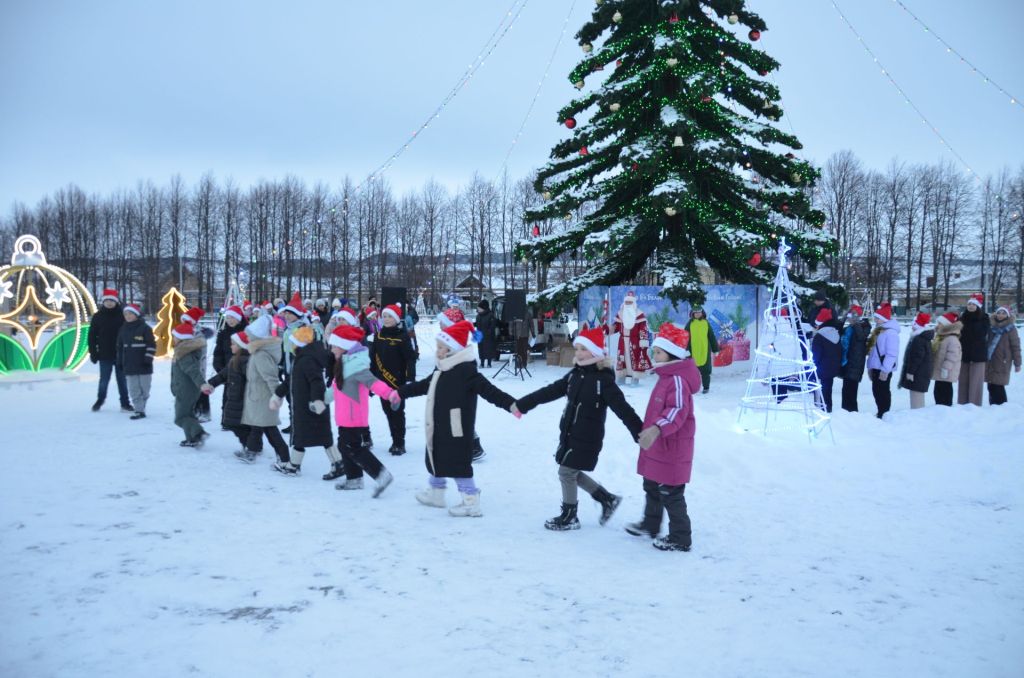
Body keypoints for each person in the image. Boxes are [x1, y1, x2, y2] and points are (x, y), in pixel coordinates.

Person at [515, 327, 642, 531]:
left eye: (584, 349)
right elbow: (550, 391)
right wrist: (524, 404)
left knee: (566, 472)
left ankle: (570, 516)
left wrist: (640, 432)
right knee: (570, 470)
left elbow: (623, 409)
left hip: (588, 436)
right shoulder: (576, 374)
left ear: (596, 352)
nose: (579, 353)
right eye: (577, 348)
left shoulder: (603, 380)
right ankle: (607, 499)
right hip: (570, 432)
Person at [398, 320, 519, 517]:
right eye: (438, 347)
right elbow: (423, 386)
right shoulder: (442, 368)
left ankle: (471, 502)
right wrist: (399, 393)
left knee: (458, 463)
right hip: (439, 424)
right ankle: (436, 493)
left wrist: (511, 405)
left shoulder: (466, 371)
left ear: (452, 349)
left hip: (457, 428)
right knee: (436, 456)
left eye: (441, 347)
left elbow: (490, 391)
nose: (437, 351)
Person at [627, 322, 701, 552]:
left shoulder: (677, 380)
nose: (654, 355)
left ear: (671, 354)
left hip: (672, 448)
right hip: (660, 446)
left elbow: (677, 410)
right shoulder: (666, 376)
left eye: (658, 352)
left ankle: (680, 537)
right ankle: (651, 524)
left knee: (671, 492)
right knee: (651, 483)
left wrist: (656, 429)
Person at [327, 324, 397, 495]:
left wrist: (390, 394)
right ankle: (354, 479)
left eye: (334, 346)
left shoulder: (357, 366)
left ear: (344, 347)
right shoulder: (343, 364)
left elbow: (374, 383)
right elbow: (335, 388)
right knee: (345, 446)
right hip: (345, 416)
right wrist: (322, 401)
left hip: (353, 417)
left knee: (352, 447)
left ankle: (381, 475)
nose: (332, 349)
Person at [270, 326, 340, 476]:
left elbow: (316, 381)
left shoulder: (307, 360)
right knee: (309, 436)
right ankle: (336, 463)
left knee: (312, 436)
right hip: (304, 406)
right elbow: (290, 380)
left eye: (293, 342)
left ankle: (294, 466)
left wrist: (317, 401)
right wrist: (278, 394)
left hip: (311, 406)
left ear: (299, 344)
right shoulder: (302, 358)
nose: (291, 345)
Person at [239, 315, 291, 465]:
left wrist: (277, 395)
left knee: (269, 428)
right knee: (257, 425)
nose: (247, 338)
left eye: (249, 335)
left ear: (257, 337)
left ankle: (284, 457)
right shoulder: (257, 352)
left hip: (263, 397)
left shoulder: (261, 354)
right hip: (258, 395)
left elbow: (271, 378)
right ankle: (251, 451)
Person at [370, 304, 417, 455]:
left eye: (390, 316)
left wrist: (410, 378)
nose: (386, 319)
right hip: (381, 382)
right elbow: (373, 358)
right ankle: (394, 439)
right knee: (388, 412)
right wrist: (370, 381)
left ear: (396, 319)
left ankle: (399, 443)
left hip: (398, 382)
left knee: (397, 412)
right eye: (384, 316)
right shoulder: (378, 336)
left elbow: (410, 358)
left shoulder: (402, 336)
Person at [202, 331, 251, 452]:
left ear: (241, 346)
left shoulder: (246, 361)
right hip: (235, 397)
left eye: (233, 344)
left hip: (243, 398)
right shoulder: (234, 359)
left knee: (241, 425)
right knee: (234, 424)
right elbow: (223, 375)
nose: (230, 346)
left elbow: (253, 380)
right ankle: (250, 446)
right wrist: (211, 384)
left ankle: (251, 447)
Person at [88, 288, 131, 412]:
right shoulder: (98, 316)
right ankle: (100, 400)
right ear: (103, 302)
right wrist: (93, 352)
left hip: (121, 354)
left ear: (116, 301)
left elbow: (130, 333)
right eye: (107, 301)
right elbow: (92, 336)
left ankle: (125, 403)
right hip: (104, 354)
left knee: (122, 380)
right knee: (104, 380)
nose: (109, 303)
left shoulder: (123, 315)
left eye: (112, 301)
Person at [169, 322, 209, 447]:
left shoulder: (183, 354)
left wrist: (202, 384)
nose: (173, 339)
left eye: (175, 336)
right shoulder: (182, 351)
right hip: (187, 389)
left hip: (186, 390)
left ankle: (199, 433)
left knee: (180, 418)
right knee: (188, 414)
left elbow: (193, 371)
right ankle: (192, 438)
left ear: (181, 338)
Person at [115, 303, 156, 420]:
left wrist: (148, 358)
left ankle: (141, 406)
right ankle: (139, 410)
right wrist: (120, 361)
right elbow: (119, 347)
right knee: (133, 389)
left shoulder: (145, 328)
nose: (127, 316)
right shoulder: (123, 329)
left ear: (136, 315)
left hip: (144, 365)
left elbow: (151, 345)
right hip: (129, 364)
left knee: (145, 389)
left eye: (130, 314)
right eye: (125, 314)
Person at [213, 306, 247, 424]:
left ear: (239, 318)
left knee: (242, 395)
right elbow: (218, 353)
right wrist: (219, 368)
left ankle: (243, 421)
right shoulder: (223, 333)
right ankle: (226, 420)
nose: (230, 320)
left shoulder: (246, 332)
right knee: (228, 395)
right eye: (227, 318)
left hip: (243, 369)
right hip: (227, 370)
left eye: (232, 317)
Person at [865, 302, 899, 419]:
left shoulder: (891, 333)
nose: (875, 319)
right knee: (876, 391)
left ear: (883, 319)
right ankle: (880, 412)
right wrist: (870, 366)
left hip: (884, 368)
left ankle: (884, 413)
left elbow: (892, 354)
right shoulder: (878, 331)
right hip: (876, 367)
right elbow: (873, 350)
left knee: (883, 391)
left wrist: (885, 370)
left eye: (877, 317)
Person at [612, 291, 652, 386]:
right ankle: (621, 377)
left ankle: (635, 378)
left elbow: (643, 329)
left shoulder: (639, 314)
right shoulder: (620, 314)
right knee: (622, 358)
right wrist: (608, 329)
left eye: (630, 302)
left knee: (635, 358)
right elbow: (616, 327)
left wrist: (643, 342)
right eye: (627, 302)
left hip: (634, 341)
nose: (628, 304)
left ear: (634, 303)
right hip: (622, 341)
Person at [957, 294, 990, 407]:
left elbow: (982, 333)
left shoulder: (984, 318)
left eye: (973, 304)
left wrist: (974, 322)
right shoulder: (962, 318)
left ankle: (974, 404)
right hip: (964, 353)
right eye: (969, 304)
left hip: (978, 354)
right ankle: (962, 403)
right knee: (963, 380)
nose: (970, 306)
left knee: (976, 381)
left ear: (978, 306)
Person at [985, 306, 1021, 405]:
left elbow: (1015, 346)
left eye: (1003, 313)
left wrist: (1017, 363)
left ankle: (1001, 405)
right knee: (990, 384)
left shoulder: (1011, 329)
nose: (1000, 315)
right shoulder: (991, 327)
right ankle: (993, 405)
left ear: (1007, 315)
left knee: (998, 384)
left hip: (1003, 361)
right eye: (999, 312)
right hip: (990, 360)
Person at [898, 312, 933, 410]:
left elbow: (916, 358)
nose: (912, 326)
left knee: (916, 399)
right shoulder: (923, 338)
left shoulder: (918, 339)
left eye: (914, 324)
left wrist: (910, 372)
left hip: (918, 373)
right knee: (918, 397)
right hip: (922, 372)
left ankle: (917, 416)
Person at [810, 308, 842, 413]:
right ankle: (828, 408)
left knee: (820, 390)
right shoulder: (836, 334)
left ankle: (820, 410)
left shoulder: (819, 336)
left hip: (820, 369)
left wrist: (812, 366)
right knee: (828, 390)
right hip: (832, 368)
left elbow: (816, 355)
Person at [839, 305, 870, 412]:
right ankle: (844, 413)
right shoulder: (848, 328)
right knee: (845, 390)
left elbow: (861, 336)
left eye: (851, 316)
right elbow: (838, 330)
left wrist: (855, 323)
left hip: (855, 363)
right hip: (847, 362)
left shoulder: (864, 326)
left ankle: (853, 413)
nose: (849, 318)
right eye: (849, 316)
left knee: (852, 391)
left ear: (857, 317)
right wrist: (843, 318)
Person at [684, 305, 719, 394]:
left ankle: (706, 387)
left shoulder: (706, 323)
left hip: (704, 351)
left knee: (705, 371)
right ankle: (692, 387)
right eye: (695, 313)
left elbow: (711, 336)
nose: (697, 314)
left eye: (699, 312)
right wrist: (686, 350)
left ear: (702, 313)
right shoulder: (690, 324)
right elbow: (685, 337)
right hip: (692, 351)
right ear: (692, 314)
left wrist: (715, 349)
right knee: (692, 371)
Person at [931, 312, 962, 406]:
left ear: (946, 325)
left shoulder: (952, 338)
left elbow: (953, 355)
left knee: (945, 390)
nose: (938, 325)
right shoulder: (940, 337)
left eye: (940, 323)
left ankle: (946, 407)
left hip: (946, 371)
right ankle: (939, 407)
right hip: (939, 370)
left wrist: (946, 368)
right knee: (938, 390)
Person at [474, 299, 498, 369]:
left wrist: (488, 333)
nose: (478, 309)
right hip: (479, 335)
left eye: (479, 308)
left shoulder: (490, 315)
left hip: (488, 336)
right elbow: (478, 324)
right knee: (481, 349)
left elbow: (492, 326)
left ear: (484, 308)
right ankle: (482, 363)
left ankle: (489, 363)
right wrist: (473, 324)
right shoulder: (478, 316)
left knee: (488, 349)